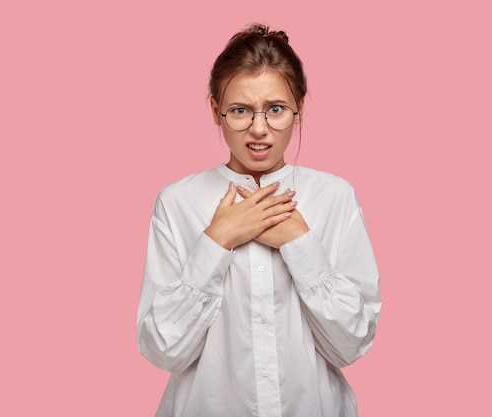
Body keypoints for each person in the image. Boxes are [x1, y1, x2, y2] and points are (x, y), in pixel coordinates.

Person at [137, 23, 381, 417]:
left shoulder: (335, 197)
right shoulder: (177, 202)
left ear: (298, 108)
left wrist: (300, 243)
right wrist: (217, 241)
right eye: (240, 111)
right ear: (216, 110)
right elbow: (163, 350)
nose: (259, 129)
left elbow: (351, 344)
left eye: (276, 109)